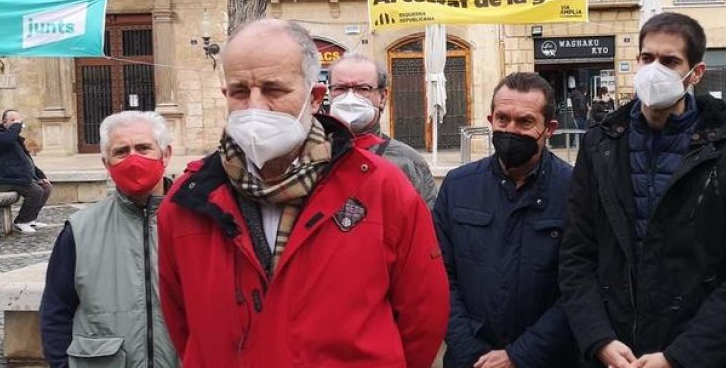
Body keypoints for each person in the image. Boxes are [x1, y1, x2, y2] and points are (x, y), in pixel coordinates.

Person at [157, 19, 448, 367]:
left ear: (314, 98)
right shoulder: (187, 203)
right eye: (239, 91)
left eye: (273, 90)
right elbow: (183, 324)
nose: (254, 106)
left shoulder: (382, 188)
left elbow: (423, 314)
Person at [560, 12, 726, 368]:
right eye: (648, 58)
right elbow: (577, 255)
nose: (654, 70)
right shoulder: (600, 145)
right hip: (615, 354)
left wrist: (681, 356)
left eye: (669, 61)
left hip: (703, 356)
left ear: (695, 73)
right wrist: (597, 338)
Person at [434, 72, 576, 368]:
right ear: (490, 120)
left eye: (525, 122)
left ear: (549, 128)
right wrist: (470, 351)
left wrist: (520, 355)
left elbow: (580, 285)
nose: (511, 130)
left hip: (547, 359)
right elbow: (439, 275)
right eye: (502, 119)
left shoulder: (576, 190)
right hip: (469, 359)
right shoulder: (458, 186)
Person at [40, 111, 178, 368]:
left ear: (165, 154)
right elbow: (56, 310)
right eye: (121, 151)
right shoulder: (80, 230)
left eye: (143, 148)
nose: (133, 159)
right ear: (106, 163)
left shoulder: (197, 223)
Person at [327, 54, 438, 206]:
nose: (350, 98)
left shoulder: (409, 163)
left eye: (362, 89)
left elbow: (427, 224)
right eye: (340, 88)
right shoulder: (309, 157)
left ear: (383, 96)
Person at [0, 109, 52, 234]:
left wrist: (39, 175)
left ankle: (30, 218)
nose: (17, 124)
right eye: (12, 121)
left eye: (18, 120)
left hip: (15, 177)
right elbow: (7, 141)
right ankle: (21, 221)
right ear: (4, 122)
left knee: (46, 188)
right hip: (1, 179)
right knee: (35, 191)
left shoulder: (15, 138)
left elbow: (27, 160)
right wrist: (16, 126)